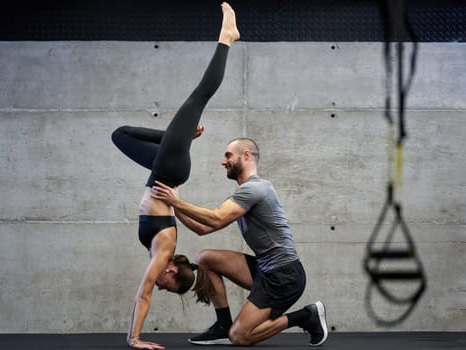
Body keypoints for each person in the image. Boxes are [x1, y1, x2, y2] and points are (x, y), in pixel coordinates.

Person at [111, 3, 240, 349]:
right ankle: (227, 38)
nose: (160, 284)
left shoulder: (162, 250)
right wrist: (134, 339)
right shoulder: (164, 252)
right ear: (171, 273)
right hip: (169, 170)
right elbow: (144, 294)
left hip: (163, 167)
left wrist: (179, 139)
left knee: (120, 135)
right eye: (167, 284)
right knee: (201, 94)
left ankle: (175, 136)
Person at [151, 138, 329, 347]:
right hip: (266, 269)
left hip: (284, 276)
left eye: (228, 155)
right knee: (206, 259)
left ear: (246, 155)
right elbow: (203, 228)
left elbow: (215, 218)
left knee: (240, 336)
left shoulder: (255, 189)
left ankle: (306, 316)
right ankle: (222, 326)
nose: (223, 161)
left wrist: (175, 201)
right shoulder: (245, 193)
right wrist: (174, 206)